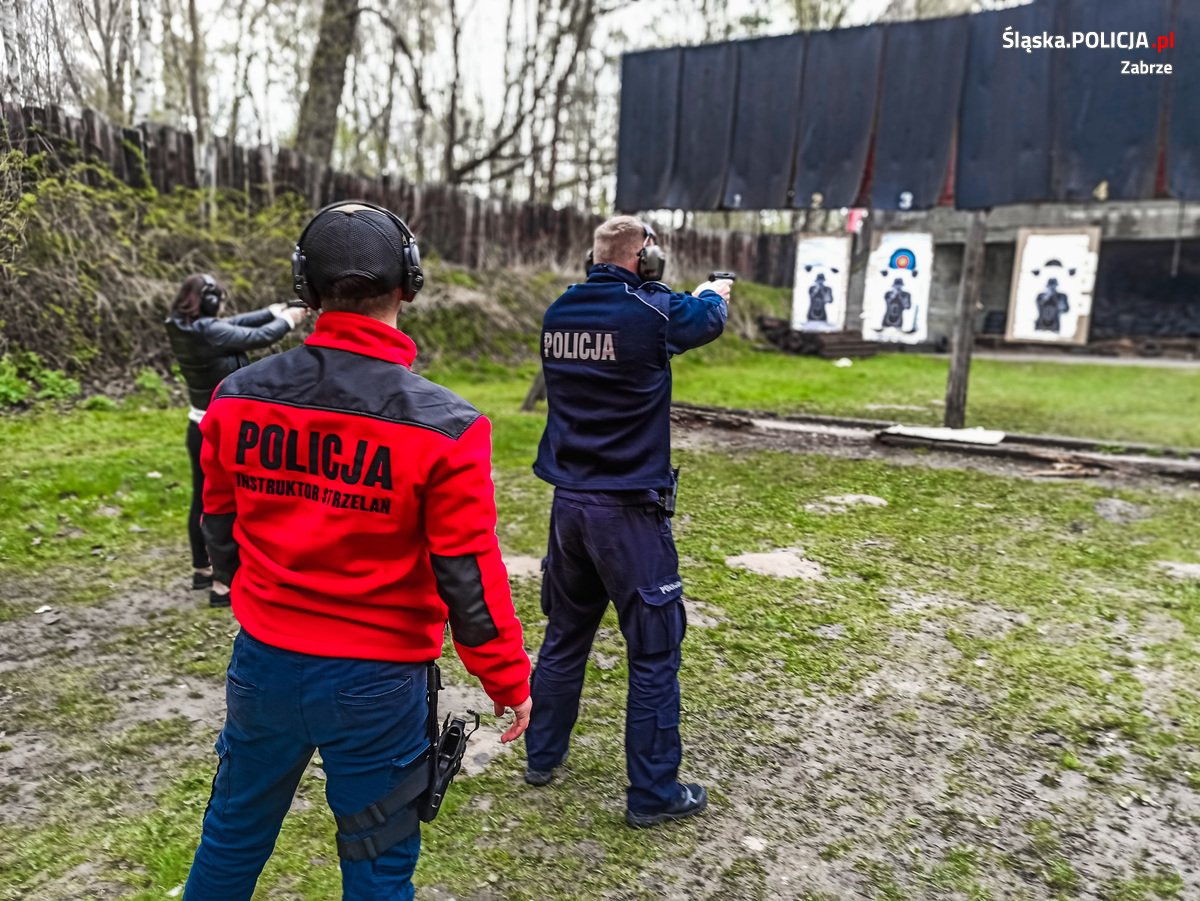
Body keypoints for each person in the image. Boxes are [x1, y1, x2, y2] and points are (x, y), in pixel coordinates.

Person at [183, 201, 532, 900]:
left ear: (305, 290)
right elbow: (467, 576)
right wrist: (509, 680)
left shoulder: (236, 397)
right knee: (377, 860)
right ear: (409, 282)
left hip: (266, 662)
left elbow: (218, 522)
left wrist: (260, 597)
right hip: (377, 681)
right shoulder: (448, 427)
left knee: (232, 833)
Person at [525, 215, 731, 828]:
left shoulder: (559, 311)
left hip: (570, 504)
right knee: (654, 651)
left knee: (565, 635)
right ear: (645, 257)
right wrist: (716, 286)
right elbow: (707, 320)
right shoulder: (651, 309)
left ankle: (542, 756)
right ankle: (653, 792)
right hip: (628, 509)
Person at [165, 275, 305, 606]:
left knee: (202, 500)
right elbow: (258, 336)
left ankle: (202, 569)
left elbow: (234, 324)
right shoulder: (209, 333)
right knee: (227, 504)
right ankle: (222, 584)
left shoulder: (183, 326)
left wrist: (271, 309)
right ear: (208, 301)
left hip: (197, 423)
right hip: (223, 426)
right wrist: (286, 319)